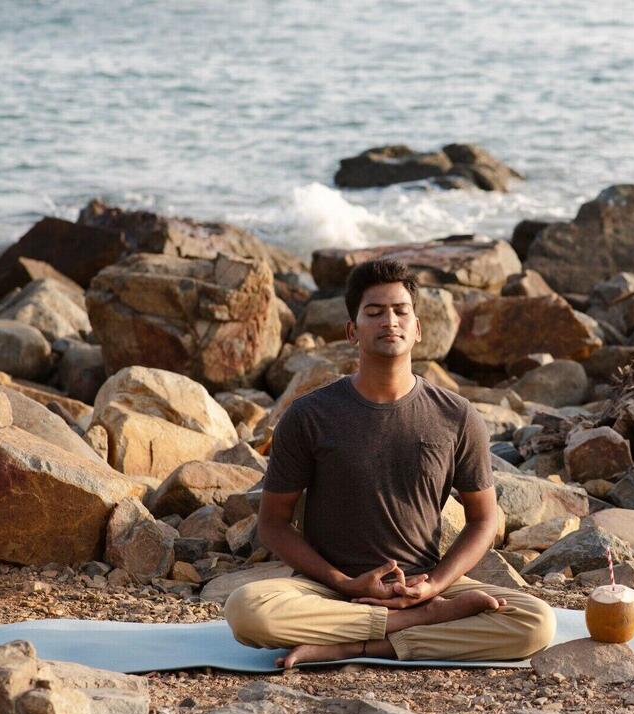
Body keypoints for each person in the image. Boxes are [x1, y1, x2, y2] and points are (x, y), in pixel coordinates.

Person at [223, 259, 554, 668]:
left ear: (418, 329)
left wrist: (433, 586)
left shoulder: (457, 415)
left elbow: (484, 521)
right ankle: (416, 625)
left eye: (400, 311)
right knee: (247, 610)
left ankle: (360, 643)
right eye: (374, 312)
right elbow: (272, 524)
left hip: (422, 583)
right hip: (329, 590)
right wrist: (343, 582)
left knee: (536, 622)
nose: (389, 321)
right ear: (352, 332)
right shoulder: (309, 415)